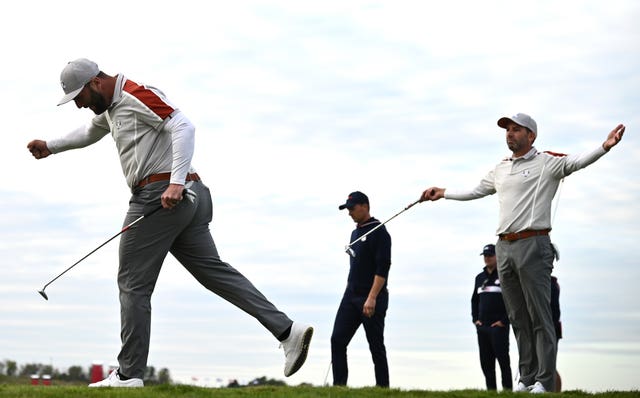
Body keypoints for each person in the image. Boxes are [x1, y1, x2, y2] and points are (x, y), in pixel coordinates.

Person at [27, 58, 313, 387]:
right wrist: (51, 146)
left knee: (132, 283)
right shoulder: (110, 108)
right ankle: (287, 331)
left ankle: (129, 374)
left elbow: (183, 126)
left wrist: (175, 182)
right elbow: (92, 130)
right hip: (187, 198)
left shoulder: (135, 94)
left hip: (162, 195)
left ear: (95, 82)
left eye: (79, 96)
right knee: (213, 272)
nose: (78, 105)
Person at [420, 113, 625, 393]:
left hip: (534, 244)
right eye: (507, 130)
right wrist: (443, 192)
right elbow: (476, 190)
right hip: (504, 246)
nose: (510, 134)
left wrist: (605, 146)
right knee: (517, 316)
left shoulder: (547, 162)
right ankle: (526, 379)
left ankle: (544, 379)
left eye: (516, 130)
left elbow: (576, 162)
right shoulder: (501, 168)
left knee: (540, 315)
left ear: (531, 136)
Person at [331, 191, 391, 387]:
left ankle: (383, 388)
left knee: (376, 346)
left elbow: (383, 268)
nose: (349, 213)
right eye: (347, 209)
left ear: (364, 206)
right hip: (351, 296)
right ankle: (339, 386)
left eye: (352, 208)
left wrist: (372, 297)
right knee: (337, 340)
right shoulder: (355, 232)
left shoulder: (379, 232)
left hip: (372, 297)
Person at [471, 243, 513, 391]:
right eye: (485, 256)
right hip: (483, 327)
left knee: (503, 362)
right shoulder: (479, 277)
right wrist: (475, 320)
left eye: (490, 255)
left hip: (499, 328)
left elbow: (512, 301)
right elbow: (474, 300)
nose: (487, 258)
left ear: (497, 256)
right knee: (486, 363)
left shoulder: (504, 275)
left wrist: (503, 321)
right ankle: (491, 392)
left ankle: (508, 391)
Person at [550, 274, 562, 392]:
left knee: (550, 365)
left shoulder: (552, 284)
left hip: (551, 329)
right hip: (548, 328)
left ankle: (556, 392)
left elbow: (554, 311)